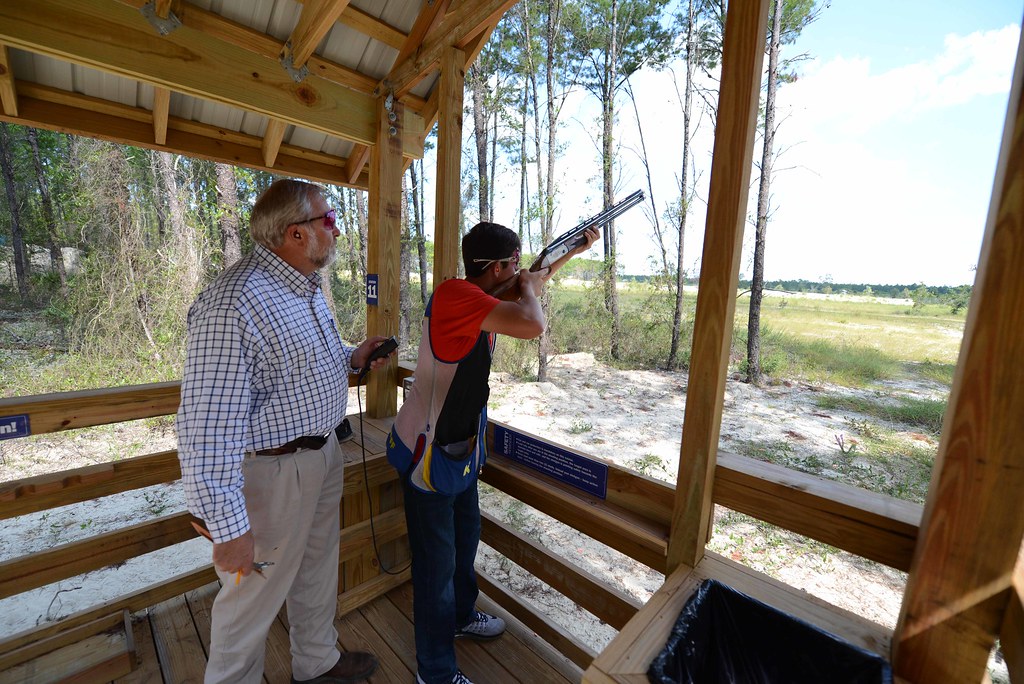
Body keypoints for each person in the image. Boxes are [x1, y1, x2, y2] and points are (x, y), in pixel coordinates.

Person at [176, 178, 391, 684]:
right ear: (296, 233)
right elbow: (207, 429)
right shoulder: (234, 303)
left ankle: (317, 663)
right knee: (249, 601)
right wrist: (228, 529)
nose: (336, 230)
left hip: (322, 455)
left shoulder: (304, 289)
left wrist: (352, 358)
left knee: (316, 570)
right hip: (272, 475)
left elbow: (299, 366)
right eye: (329, 220)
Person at [387, 221, 600, 684]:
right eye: (513, 263)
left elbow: (530, 284)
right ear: (498, 268)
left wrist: (569, 254)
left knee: (466, 541)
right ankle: (434, 673)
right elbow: (533, 321)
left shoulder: (480, 299)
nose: (519, 271)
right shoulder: (456, 296)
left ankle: (462, 616)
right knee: (436, 568)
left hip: (461, 452)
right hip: (428, 454)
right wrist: (530, 285)